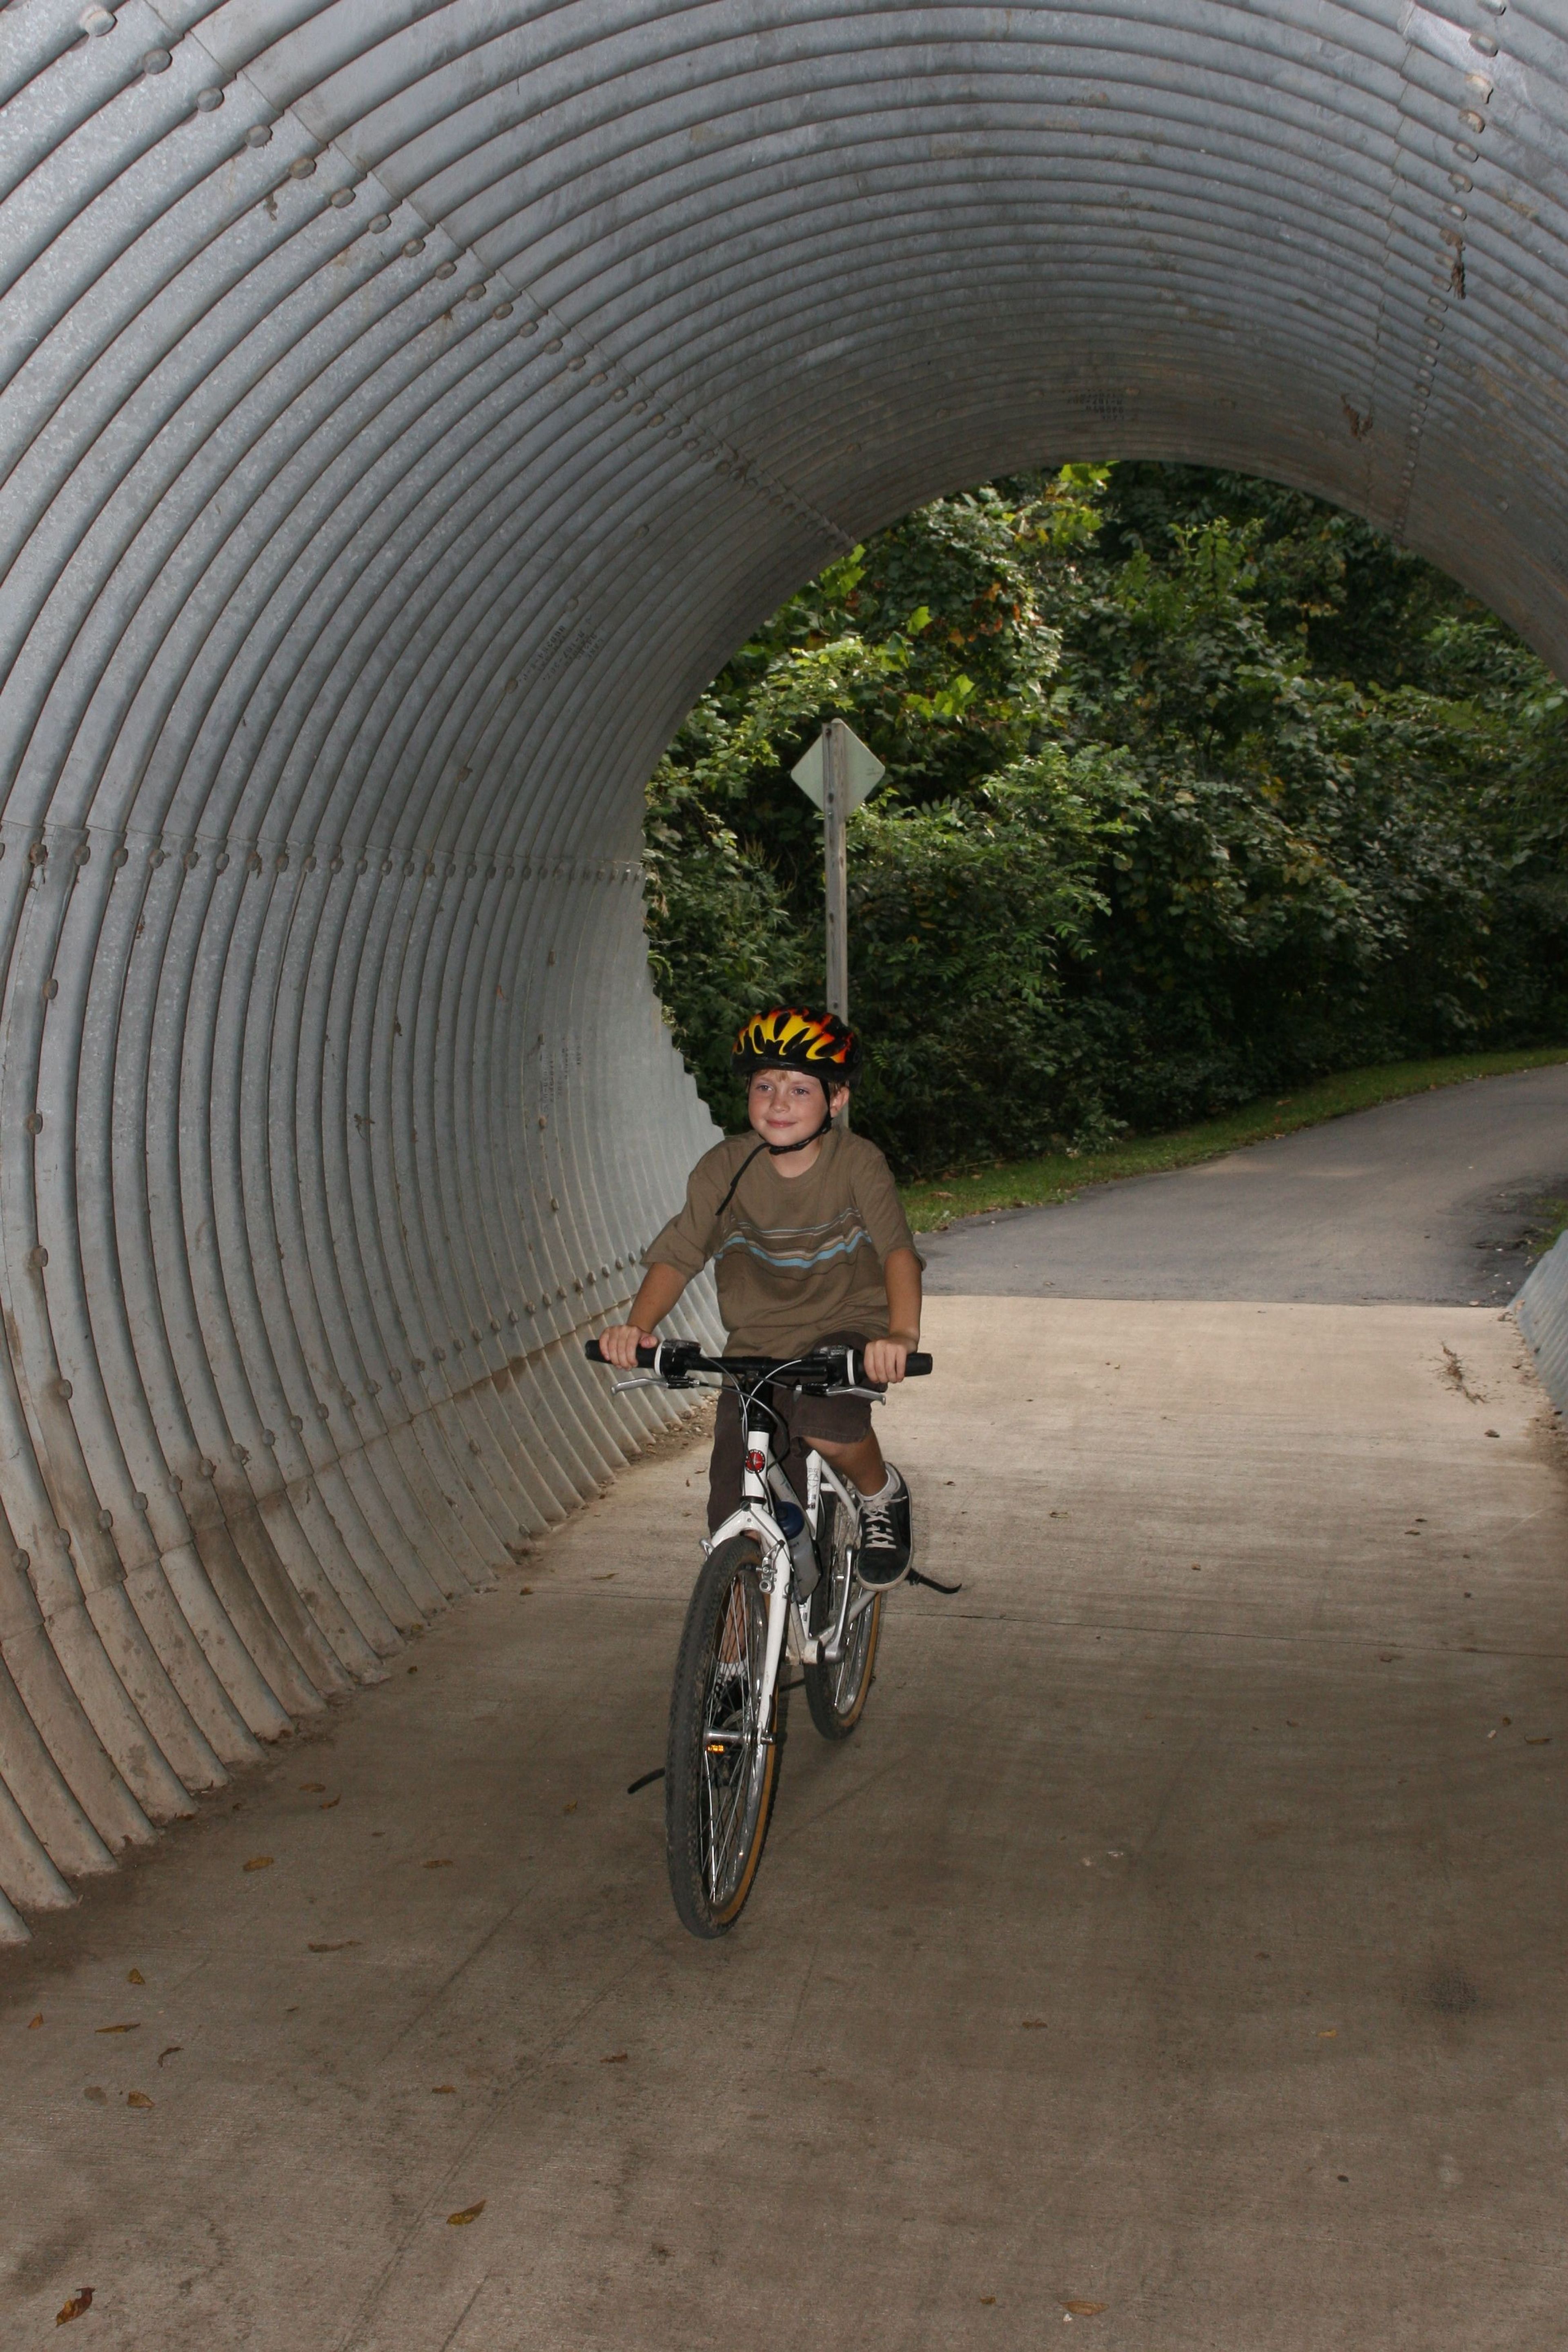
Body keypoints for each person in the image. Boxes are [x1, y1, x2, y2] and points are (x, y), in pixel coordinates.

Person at [598, 1007, 923, 1586]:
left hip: (845, 1329)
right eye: (765, 1085)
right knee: (736, 1508)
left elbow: (897, 1252)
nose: (779, 1102)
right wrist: (636, 1327)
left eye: (800, 1089)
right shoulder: (725, 1168)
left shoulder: (858, 1165)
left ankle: (880, 1495)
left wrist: (900, 1337)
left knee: (824, 1425)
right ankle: (729, 1657)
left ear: (837, 1099)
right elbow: (679, 1256)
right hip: (758, 1345)